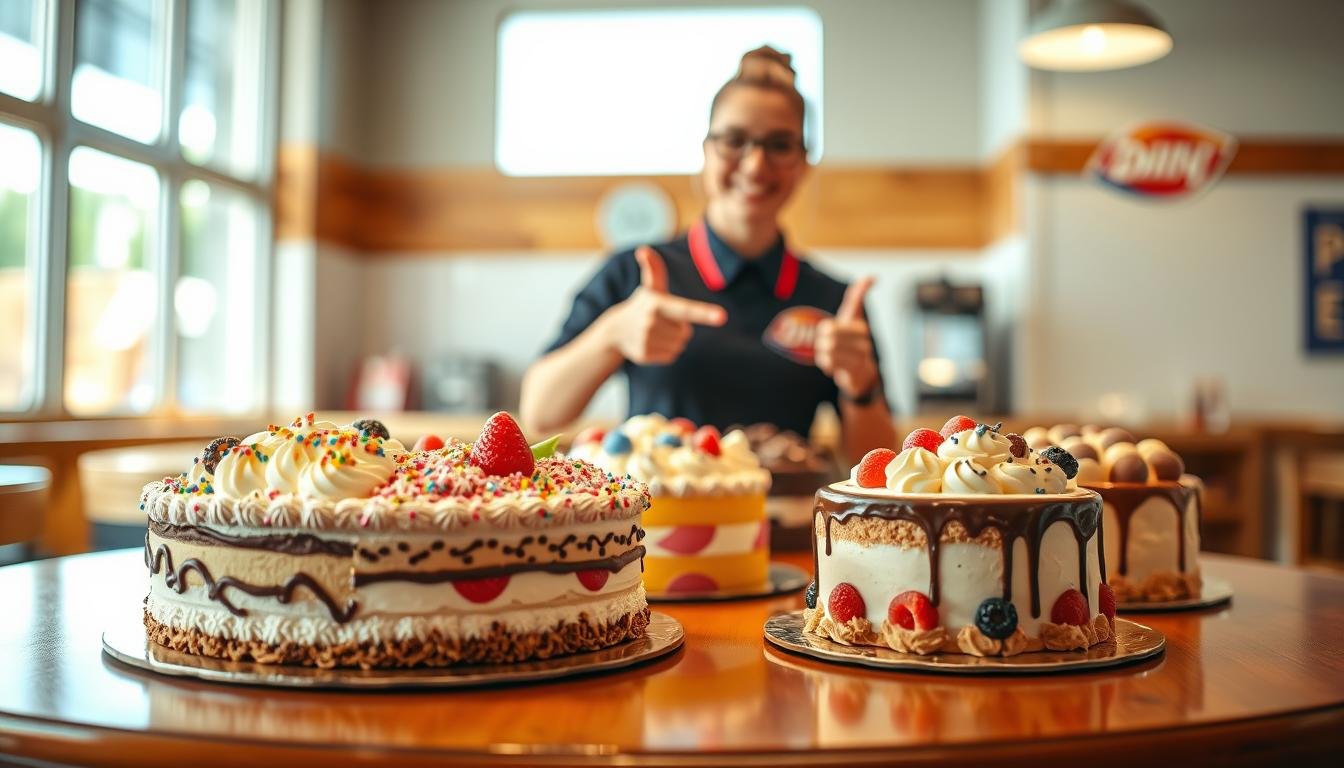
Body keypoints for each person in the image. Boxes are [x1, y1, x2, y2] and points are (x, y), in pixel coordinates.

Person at [520, 46, 895, 461]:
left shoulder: (836, 302)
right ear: (705, 151)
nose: (755, 165)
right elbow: (539, 412)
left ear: (803, 163)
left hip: (783, 522)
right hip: (656, 522)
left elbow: (875, 463)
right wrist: (612, 334)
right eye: (734, 140)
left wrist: (860, 385)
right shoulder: (635, 273)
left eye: (779, 145)